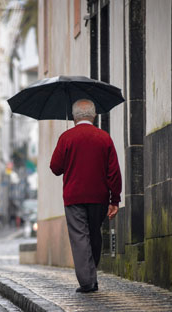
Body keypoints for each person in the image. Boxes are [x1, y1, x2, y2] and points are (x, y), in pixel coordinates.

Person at [50, 99, 122, 293]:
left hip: (74, 197)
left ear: (74, 117)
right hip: (99, 197)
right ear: (94, 116)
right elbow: (114, 172)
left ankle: (87, 282)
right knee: (94, 235)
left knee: (80, 238)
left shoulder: (67, 137)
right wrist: (114, 200)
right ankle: (91, 276)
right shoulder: (104, 137)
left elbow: (55, 168)